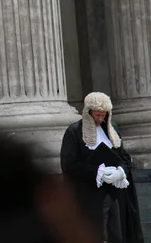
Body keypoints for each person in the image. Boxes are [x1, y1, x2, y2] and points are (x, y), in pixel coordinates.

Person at [60, 92, 143, 243]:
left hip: (114, 194)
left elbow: (124, 156)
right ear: (88, 113)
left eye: (103, 115)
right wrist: (97, 172)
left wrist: (120, 172)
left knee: (117, 234)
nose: (100, 119)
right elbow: (69, 165)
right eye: (97, 115)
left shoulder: (112, 129)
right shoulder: (74, 132)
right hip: (89, 196)